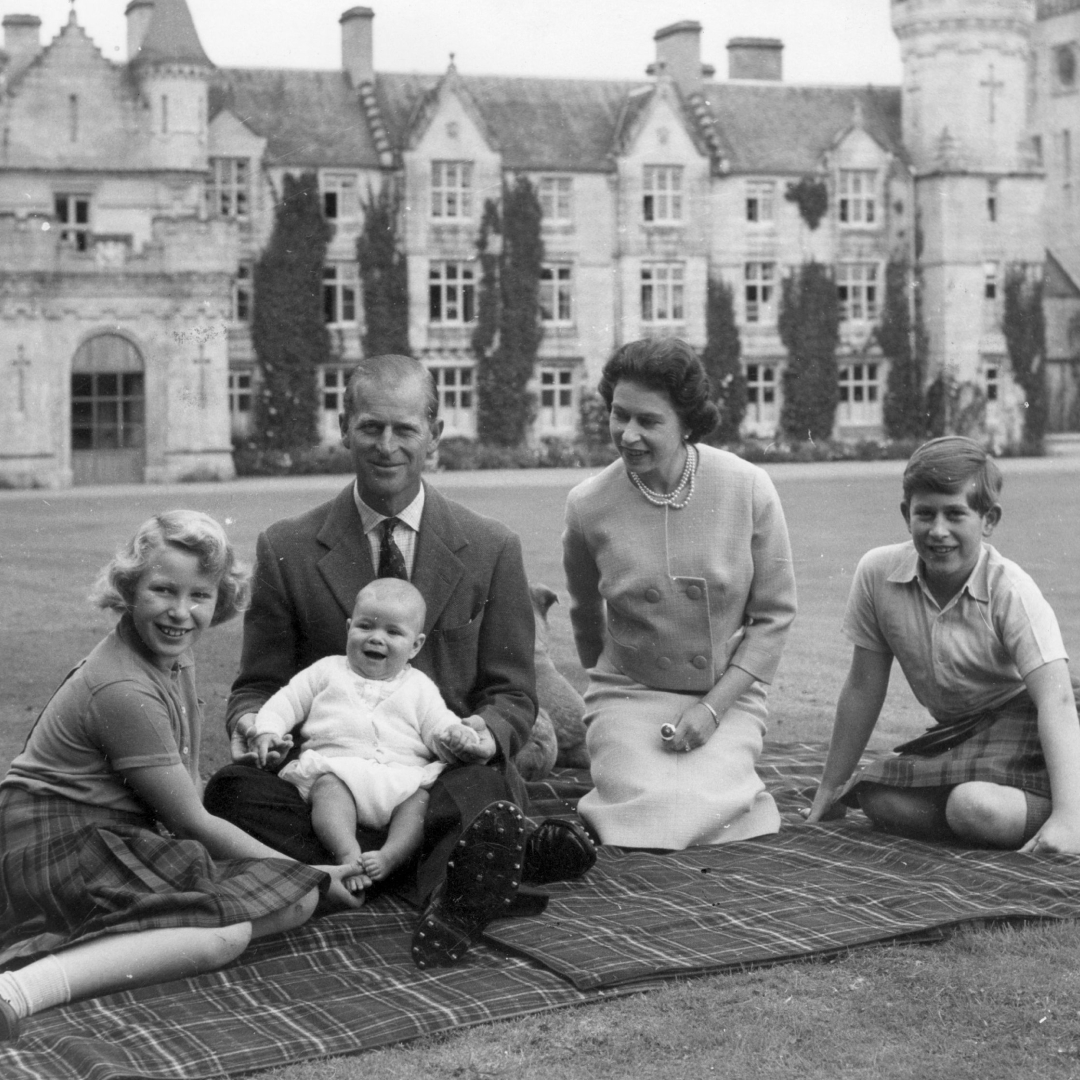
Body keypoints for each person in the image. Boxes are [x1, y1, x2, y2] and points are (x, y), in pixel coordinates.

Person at [204, 354, 595, 969]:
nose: (387, 446)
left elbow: (514, 695)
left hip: (437, 781)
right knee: (230, 791)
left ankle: (358, 872)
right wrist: (256, 729)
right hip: (327, 785)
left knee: (484, 786)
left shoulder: (491, 547)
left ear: (434, 436)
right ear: (344, 428)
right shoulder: (287, 547)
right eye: (370, 427)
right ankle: (459, 870)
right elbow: (258, 686)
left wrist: (480, 735)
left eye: (405, 429)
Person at [0, 511, 362, 1043]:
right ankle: (18, 991)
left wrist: (305, 880)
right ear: (128, 588)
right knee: (227, 935)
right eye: (163, 590)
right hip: (53, 839)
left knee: (291, 898)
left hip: (108, 833)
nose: (181, 612)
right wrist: (316, 872)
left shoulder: (176, 655)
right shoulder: (121, 687)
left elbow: (188, 785)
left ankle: (127, 941)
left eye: (200, 595)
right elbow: (192, 819)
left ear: (221, 600)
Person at [562, 337, 797, 850]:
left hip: (726, 695)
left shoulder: (749, 488)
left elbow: (774, 617)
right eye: (618, 415)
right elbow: (584, 616)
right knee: (648, 803)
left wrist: (713, 709)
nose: (628, 435)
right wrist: (612, 697)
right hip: (629, 691)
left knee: (703, 806)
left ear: (687, 422)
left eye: (648, 421)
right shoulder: (587, 505)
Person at [805, 436, 1080, 854]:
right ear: (905, 514)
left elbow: (1057, 701)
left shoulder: (1010, 590)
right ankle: (984, 814)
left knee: (974, 807)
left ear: (988, 520)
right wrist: (828, 788)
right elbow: (863, 684)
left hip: (1036, 722)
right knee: (877, 797)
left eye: (955, 514)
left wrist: (1068, 819)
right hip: (961, 734)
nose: (938, 531)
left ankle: (1062, 814)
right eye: (925, 514)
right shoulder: (878, 574)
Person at [251, 578, 483, 889]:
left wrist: (456, 733)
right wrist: (268, 731)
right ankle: (348, 854)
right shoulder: (327, 671)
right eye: (365, 626)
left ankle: (390, 856)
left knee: (418, 802)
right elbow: (286, 701)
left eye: (393, 632)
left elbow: (437, 724)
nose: (376, 638)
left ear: (416, 645)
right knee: (328, 791)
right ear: (348, 628)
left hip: (400, 779)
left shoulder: (419, 687)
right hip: (340, 770)